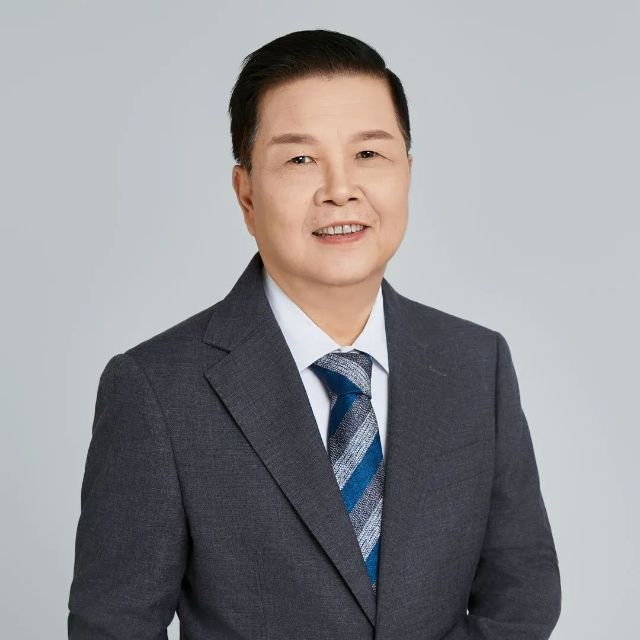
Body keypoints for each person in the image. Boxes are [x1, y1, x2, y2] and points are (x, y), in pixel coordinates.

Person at [67, 29, 561, 640]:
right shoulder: (158, 390)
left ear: (407, 173)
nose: (340, 189)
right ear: (246, 192)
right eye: (300, 160)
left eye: (369, 154)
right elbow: (113, 626)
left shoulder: (475, 363)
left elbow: (522, 595)